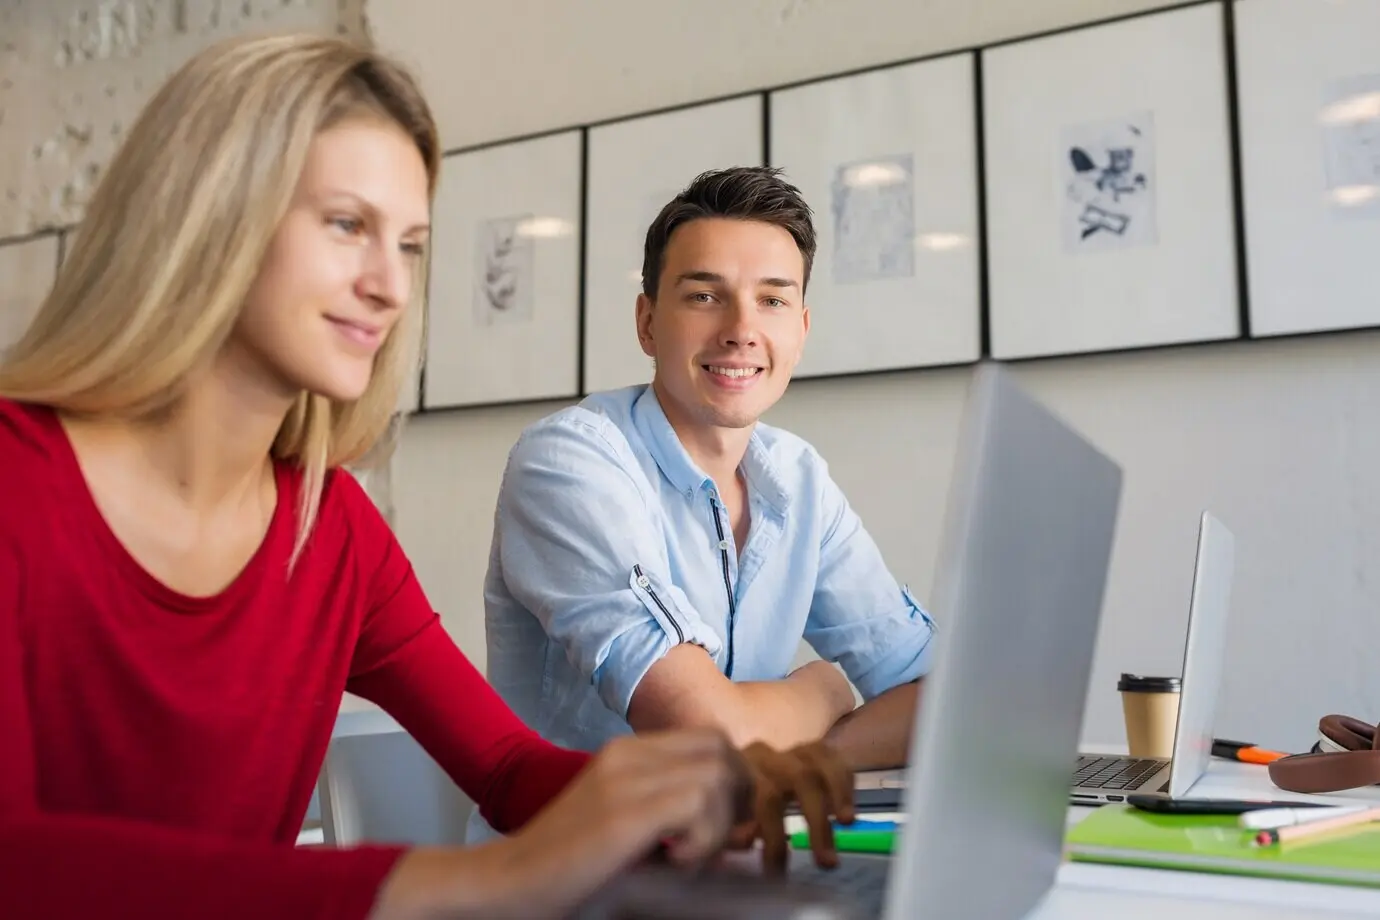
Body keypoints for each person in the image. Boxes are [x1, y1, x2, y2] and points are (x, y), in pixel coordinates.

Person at [0, 35, 854, 920]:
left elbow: (507, 767)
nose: (388, 285)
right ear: (208, 215)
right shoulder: (16, 485)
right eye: (346, 226)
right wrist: (470, 881)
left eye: (408, 245)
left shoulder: (328, 528)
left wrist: (692, 795)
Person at [475, 167, 937, 841]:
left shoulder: (798, 479)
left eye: (772, 301)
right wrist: (825, 691)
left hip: (740, 865)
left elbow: (941, 703)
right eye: (704, 296)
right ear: (647, 322)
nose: (741, 329)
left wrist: (802, 760)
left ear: (801, 331)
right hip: (576, 885)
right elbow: (707, 733)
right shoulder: (570, 463)